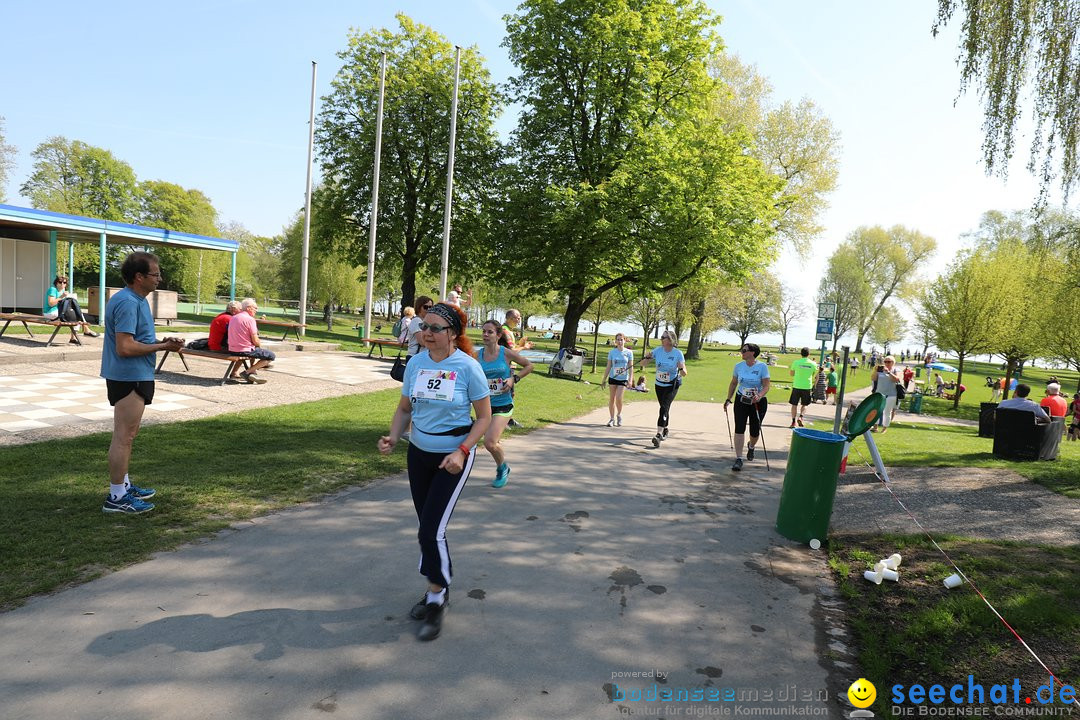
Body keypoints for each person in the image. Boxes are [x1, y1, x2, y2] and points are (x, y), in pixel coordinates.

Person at [377, 302, 491, 641]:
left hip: (452, 457)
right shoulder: (416, 363)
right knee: (429, 527)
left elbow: (483, 417)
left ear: (453, 334)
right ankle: (438, 581)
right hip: (418, 454)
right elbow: (404, 408)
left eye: (435, 328)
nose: (426, 332)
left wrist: (463, 449)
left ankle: (437, 596)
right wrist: (393, 437)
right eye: (424, 326)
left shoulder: (468, 367)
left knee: (430, 531)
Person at [100, 252, 184, 514]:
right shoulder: (127, 302)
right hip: (129, 376)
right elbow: (125, 347)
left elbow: (138, 340)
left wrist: (163, 343)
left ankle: (123, 487)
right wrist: (163, 346)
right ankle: (116, 498)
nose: (159, 279)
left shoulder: (136, 300)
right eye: (155, 274)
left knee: (128, 435)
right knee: (123, 437)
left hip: (137, 374)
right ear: (139, 277)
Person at [476, 319, 534, 487]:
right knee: (493, 442)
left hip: (503, 404)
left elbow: (529, 366)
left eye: (490, 332)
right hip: (484, 405)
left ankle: (502, 468)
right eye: (484, 331)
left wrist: (513, 378)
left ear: (498, 335)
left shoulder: (505, 353)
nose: (485, 335)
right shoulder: (477, 356)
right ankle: (502, 464)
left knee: (489, 442)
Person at [724, 343, 771, 471]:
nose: (742, 352)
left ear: (752, 352)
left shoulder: (762, 367)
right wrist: (728, 399)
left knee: (755, 431)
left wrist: (760, 395)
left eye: (744, 350)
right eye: (742, 350)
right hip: (741, 400)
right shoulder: (738, 366)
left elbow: (766, 385)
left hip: (758, 402)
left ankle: (751, 446)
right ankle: (739, 458)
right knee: (739, 428)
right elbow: (733, 383)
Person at [637, 330, 687, 448]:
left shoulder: (678, 353)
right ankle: (665, 428)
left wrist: (680, 368)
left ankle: (658, 435)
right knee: (664, 408)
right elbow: (643, 364)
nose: (661, 339)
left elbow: (684, 373)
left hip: (672, 385)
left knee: (664, 407)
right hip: (659, 384)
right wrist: (647, 357)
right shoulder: (657, 350)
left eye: (663, 337)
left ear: (670, 340)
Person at [227, 298, 275, 384]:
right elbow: (255, 341)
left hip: (232, 349)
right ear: (249, 308)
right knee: (271, 355)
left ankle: (252, 372)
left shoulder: (233, 318)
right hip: (244, 350)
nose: (256, 310)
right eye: (255, 308)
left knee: (253, 349)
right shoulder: (250, 320)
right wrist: (259, 345)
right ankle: (248, 372)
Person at [601, 333, 634, 427]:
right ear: (615, 341)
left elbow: (631, 368)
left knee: (619, 398)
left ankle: (619, 414)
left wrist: (630, 380)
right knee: (612, 398)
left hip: (623, 379)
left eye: (621, 340)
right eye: (618, 340)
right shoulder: (612, 352)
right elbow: (608, 366)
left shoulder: (629, 353)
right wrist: (604, 379)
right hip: (613, 378)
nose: (619, 342)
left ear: (624, 340)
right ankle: (611, 419)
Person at [870, 356, 902, 432]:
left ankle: (884, 428)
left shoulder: (896, 370)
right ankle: (875, 427)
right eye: (885, 362)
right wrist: (875, 370)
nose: (887, 363)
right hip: (879, 393)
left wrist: (889, 372)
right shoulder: (880, 370)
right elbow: (873, 379)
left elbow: (897, 379)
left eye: (889, 362)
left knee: (887, 412)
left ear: (893, 363)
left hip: (891, 394)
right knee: (876, 410)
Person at [788, 347, 816, 428]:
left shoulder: (796, 362)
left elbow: (791, 374)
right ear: (809, 354)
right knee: (805, 404)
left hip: (797, 385)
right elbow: (813, 374)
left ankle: (793, 422)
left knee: (794, 404)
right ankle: (801, 417)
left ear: (801, 354)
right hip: (807, 386)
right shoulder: (813, 364)